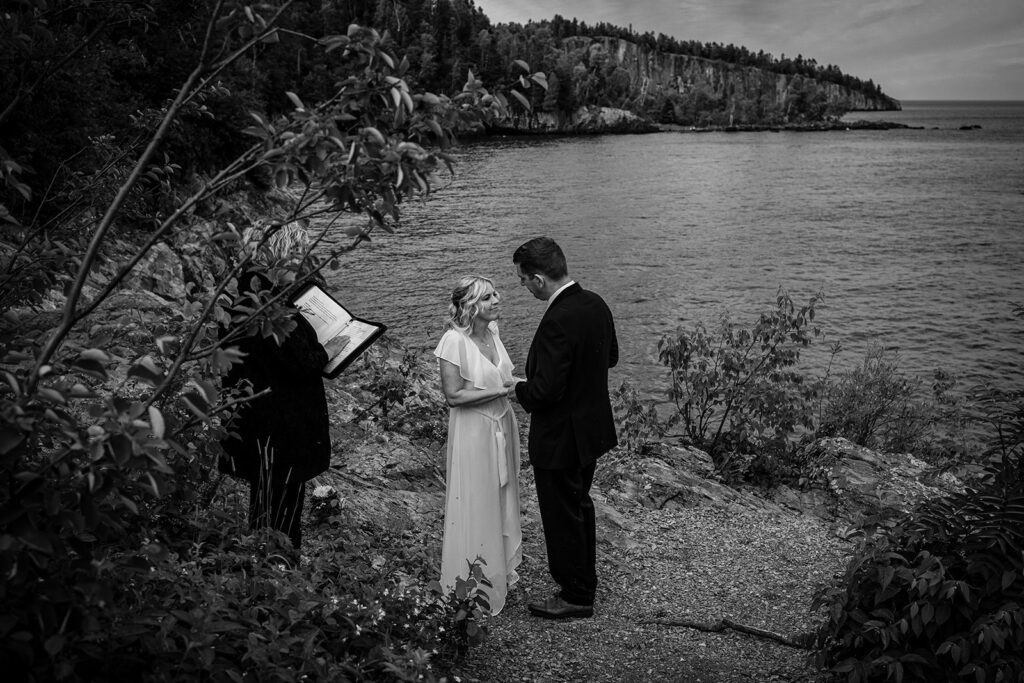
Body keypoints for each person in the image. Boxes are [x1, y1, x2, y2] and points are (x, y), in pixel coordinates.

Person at [218, 226, 349, 550]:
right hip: (280, 428)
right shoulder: (271, 303)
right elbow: (299, 361)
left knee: (265, 502)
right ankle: (278, 566)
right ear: (281, 255)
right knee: (283, 508)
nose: (302, 263)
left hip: (254, 419)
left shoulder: (243, 293)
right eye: (298, 254)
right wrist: (327, 351)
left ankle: (264, 560)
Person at [509, 236, 618, 619]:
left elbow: (544, 392)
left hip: (561, 437)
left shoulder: (557, 320)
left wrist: (516, 388)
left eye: (523, 280)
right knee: (579, 505)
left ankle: (576, 594)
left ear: (539, 279)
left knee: (562, 515)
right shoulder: (595, 303)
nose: (524, 286)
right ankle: (583, 582)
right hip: (590, 429)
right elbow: (611, 357)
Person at [433, 275, 522, 615]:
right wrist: (502, 391)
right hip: (474, 430)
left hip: (502, 423)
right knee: (476, 498)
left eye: (495, 294)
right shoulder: (453, 341)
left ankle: (497, 571)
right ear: (469, 305)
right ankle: (470, 580)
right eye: (487, 298)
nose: (496, 300)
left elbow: (506, 378)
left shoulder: (493, 333)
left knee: (501, 495)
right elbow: (454, 396)